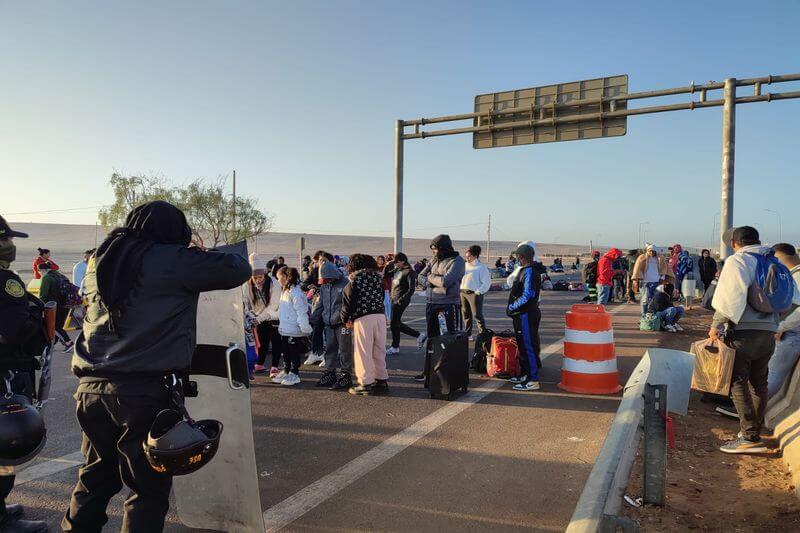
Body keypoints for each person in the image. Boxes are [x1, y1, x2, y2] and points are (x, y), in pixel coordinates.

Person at [62, 201, 251, 532]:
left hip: (91, 388)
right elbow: (238, 268)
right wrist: (193, 248)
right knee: (146, 490)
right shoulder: (170, 259)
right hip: (142, 393)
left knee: (95, 477)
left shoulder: (100, 262)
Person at [709, 226, 799, 454]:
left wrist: (715, 326)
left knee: (738, 381)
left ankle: (749, 438)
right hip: (768, 333)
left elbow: (728, 299)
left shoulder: (739, 261)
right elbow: (794, 300)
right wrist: (775, 322)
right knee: (759, 382)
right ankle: (753, 431)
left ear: (735, 243)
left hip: (743, 333)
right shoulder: (774, 261)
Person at [0, 216, 50, 533]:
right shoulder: (8, 282)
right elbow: (15, 329)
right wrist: (39, 322)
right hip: (5, 372)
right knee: (7, 442)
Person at [414, 235, 466, 382]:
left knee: (450, 339)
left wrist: (430, 278)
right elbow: (420, 276)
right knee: (432, 339)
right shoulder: (433, 260)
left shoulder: (457, 261)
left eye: (436, 249)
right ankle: (428, 372)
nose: (434, 252)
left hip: (448, 303)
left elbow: (446, 282)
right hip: (431, 302)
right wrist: (433, 279)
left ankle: (449, 372)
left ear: (443, 248)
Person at [341, 254, 388, 396]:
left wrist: (345, 318)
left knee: (363, 352)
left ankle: (365, 383)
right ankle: (381, 380)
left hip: (363, 318)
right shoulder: (378, 279)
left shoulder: (354, 280)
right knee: (379, 350)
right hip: (380, 316)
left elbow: (348, 302)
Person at [311, 261, 353, 390]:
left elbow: (350, 304)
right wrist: (314, 318)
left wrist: (347, 319)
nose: (325, 282)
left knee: (345, 350)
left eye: (326, 279)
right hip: (328, 323)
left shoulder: (346, 283)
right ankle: (330, 373)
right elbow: (321, 304)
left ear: (332, 275)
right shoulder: (325, 286)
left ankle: (346, 375)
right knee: (330, 349)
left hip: (342, 324)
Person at [507, 244, 542, 392]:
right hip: (522, 314)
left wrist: (512, 307)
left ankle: (533, 379)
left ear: (521, 257)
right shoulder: (525, 270)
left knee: (528, 347)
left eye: (517, 256)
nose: (516, 259)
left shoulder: (530, 272)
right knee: (522, 346)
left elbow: (528, 295)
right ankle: (525, 373)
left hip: (526, 314)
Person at [767, 243, 800, 399]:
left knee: (774, 372)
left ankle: (751, 410)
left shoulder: (798, 276)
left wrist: (779, 327)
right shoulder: (793, 274)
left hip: (793, 333)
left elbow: (798, 311)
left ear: (779, 257)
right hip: (790, 331)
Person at [273, 266, 313, 386]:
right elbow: (282, 310)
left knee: (293, 352)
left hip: (294, 329)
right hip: (285, 329)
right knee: (285, 352)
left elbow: (301, 311)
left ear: (285, 277)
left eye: (279, 278)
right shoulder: (285, 291)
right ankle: (286, 370)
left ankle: (294, 373)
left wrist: (305, 327)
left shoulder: (296, 293)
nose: (278, 280)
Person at [247, 254, 282, 378]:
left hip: (274, 316)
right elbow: (247, 302)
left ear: (265, 274)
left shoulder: (274, 283)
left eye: (260, 277)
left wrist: (260, 318)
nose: (258, 280)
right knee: (261, 341)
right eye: (254, 277)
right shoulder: (248, 284)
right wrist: (251, 315)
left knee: (276, 340)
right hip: (258, 317)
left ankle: (275, 366)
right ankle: (260, 363)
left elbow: (274, 305)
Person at [383, 253, 423, 355]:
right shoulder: (398, 270)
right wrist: (388, 264)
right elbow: (386, 275)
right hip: (394, 298)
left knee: (394, 324)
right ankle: (417, 336)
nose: (395, 264)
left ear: (402, 261)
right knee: (395, 324)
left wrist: (402, 299)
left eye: (397, 262)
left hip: (400, 300)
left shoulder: (410, 272)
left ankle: (396, 346)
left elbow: (411, 289)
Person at [37, 261, 74, 352]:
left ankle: (68, 342)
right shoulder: (59, 275)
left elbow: (43, 295)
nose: (40, 273)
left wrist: (39, 305)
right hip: (65, 304)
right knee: (56, 326)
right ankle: (51, 345)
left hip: (53, 306)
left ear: (42, 270)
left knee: (53, 327)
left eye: (39, 271)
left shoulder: (47, 278)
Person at [460, 245, 491, 341]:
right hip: (463, 292)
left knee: (477, 315)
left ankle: (483, 335)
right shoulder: (464, 266)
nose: (467, 258)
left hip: (474, 294)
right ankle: (468, 334)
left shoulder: (481, 267)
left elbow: (487, 282)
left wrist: (478, 292)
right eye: (466, 256)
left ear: (475, 256)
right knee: (465, 314)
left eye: (469, 256)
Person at [632, 244, 668, 316]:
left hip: (656, 282)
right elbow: (637, 269)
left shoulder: (660, 258)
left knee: (654, 300)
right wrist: (637, 279)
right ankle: (643, 316)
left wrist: (662, 278)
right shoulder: (641, 258)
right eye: (650, 251)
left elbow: (664, 269)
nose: (651, 253)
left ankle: (652, 316)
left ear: (656, 251)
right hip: (645, 282)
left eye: (653, 251)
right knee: (644, 300)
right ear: (647, 251)